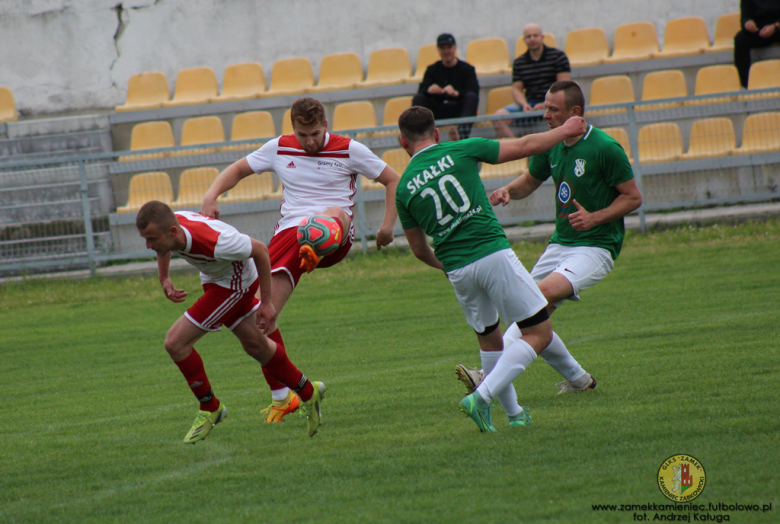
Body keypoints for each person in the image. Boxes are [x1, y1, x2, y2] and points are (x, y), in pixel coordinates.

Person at [200, 97, 399, 423]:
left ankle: (316, 241)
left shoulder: (348, 149)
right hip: (290, 240)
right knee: (258, 322)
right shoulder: (279, 147)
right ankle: (283, 396)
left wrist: (387, 226)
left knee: (330, 214)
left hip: (335, 234)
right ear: (293, 129)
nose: (310, 141)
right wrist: (210, 196)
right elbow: (238, 169)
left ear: (326, 127)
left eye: (316, 134)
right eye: (303, 135)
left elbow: (392, 178)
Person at [394, 105, 587, 432]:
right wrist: (566, 130)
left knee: (489, 339)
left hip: (457, 269)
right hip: (491, 253)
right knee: (539, 333)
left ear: (402, 142)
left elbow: (418, 249)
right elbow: (526, 146)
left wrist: (447, 266)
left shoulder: (404, 188)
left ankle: (514, 415)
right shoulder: (463, 148)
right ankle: (480, 396)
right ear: (437, 133)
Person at [456, 80, 642, 398]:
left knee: (537, 296)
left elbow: (633, 197)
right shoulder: (553, 145)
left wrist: (594, 218)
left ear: (575, 113)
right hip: (560, 244)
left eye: (552, 109)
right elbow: (531, 178)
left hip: (596, 247)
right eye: (544, 107)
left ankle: (487, 376)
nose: (545, 115)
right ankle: (579, 379)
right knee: (527, 311)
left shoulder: (605, 148)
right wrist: (508, 191)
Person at [135, 201, 327, 441]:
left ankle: (211, 408)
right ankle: (309, 391)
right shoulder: (171, 227)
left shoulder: (216, 242)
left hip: (234, 284)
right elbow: (163, 248)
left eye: (151, 238)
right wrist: (164, 278)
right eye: (145, 238)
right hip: (216, 278)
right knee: (256, 345)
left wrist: (266, 302)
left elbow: (260, 251)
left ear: (172, 231)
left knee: (175, 342)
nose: (148, 244)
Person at [493, 24, 571, 138]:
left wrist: (547, 104)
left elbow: (563, 86)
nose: (532, 39)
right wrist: (524, 104)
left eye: (535, 35)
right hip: (530, 104)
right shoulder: (519, 62)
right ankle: (517, 151)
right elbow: (517, 89)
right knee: (498, 117)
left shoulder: (558, 57)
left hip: (554, 103)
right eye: (528, 36)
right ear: (524, 39)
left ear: (542, 37)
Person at [413, 33, 480, 140]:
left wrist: (456, 93)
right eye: (443, 48)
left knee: (472, 98)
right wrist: (429, 90)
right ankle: (419, 136)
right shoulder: (432, 69)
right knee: (419, 98)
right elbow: (421, 91)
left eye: (449, 47)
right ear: (438, 50)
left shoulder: (467, 69)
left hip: (459, 109)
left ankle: (462, 135)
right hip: (438, 110)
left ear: (455, 48)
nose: (446, 51)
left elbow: (474, 91)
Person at [734, 1, 780, 88]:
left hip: (777, 28)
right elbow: (745, 17)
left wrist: (775, 27)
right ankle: (744, 84)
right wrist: (747, 23)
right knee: (740, 39)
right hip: (758, 30)